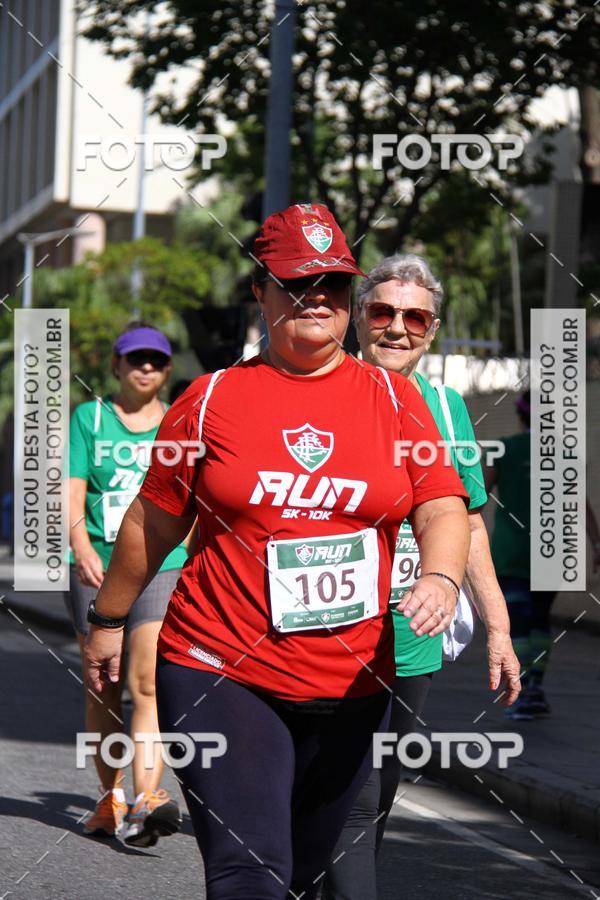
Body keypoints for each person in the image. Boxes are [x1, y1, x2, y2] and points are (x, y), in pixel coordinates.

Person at [82, 203, 471, 900]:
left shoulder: (394, 399)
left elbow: (441, 502)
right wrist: (108, 621)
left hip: (353, 679)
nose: (316, 298)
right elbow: (153, 521)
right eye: (296, 282)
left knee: (307, 873)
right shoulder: (208, 400)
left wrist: (442, 575)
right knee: (251, 872)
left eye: (332, 283)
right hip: (221, 664)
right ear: (260, 291)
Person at [323, 253, 521, 900]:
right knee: (345, 796)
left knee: (379, 792)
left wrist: (498, 625)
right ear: (357, 319)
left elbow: (467, 522)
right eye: (382, 312)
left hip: (412, 636)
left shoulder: (444, 404)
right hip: (323, 629)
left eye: (416, 317)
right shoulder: (322, 391)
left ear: (432, 330)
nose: (397, 328)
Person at [68, 323, 187, 846]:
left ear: (166, 371)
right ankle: (108, 798)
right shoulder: (89, 418)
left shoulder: (179, 422)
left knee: (146, 682)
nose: (145, 368)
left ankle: (147, 800)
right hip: (98, 569)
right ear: (115, 365)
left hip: (164, 565)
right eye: (135, 359)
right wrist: (84, 550)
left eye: (156, 361)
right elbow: (71, 494)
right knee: (103, 691)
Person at [487, 391, 600, 720]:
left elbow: (475, 496)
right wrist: (596, 545)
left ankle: (522, 693)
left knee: (518, 623)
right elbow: (581, 504)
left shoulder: (505, 449)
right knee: (539, 621)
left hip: (512, 551)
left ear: (520, 416)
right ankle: (535, 689)